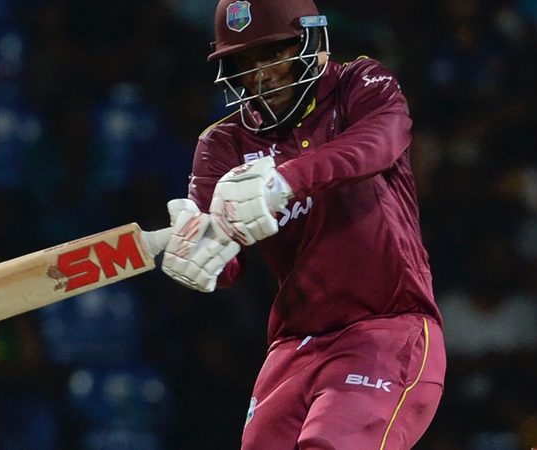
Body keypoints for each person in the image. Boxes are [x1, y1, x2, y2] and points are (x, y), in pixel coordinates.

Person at [160, 1, 446, 448]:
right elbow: (227, 263)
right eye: (245, 61)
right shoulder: (223, 144)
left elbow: (378, 143)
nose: (261, 75)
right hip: (294, 346)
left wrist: (282, 182)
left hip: (386, 327)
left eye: (273, 53)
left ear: (309, 40)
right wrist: (201, 252)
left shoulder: (359, 84)